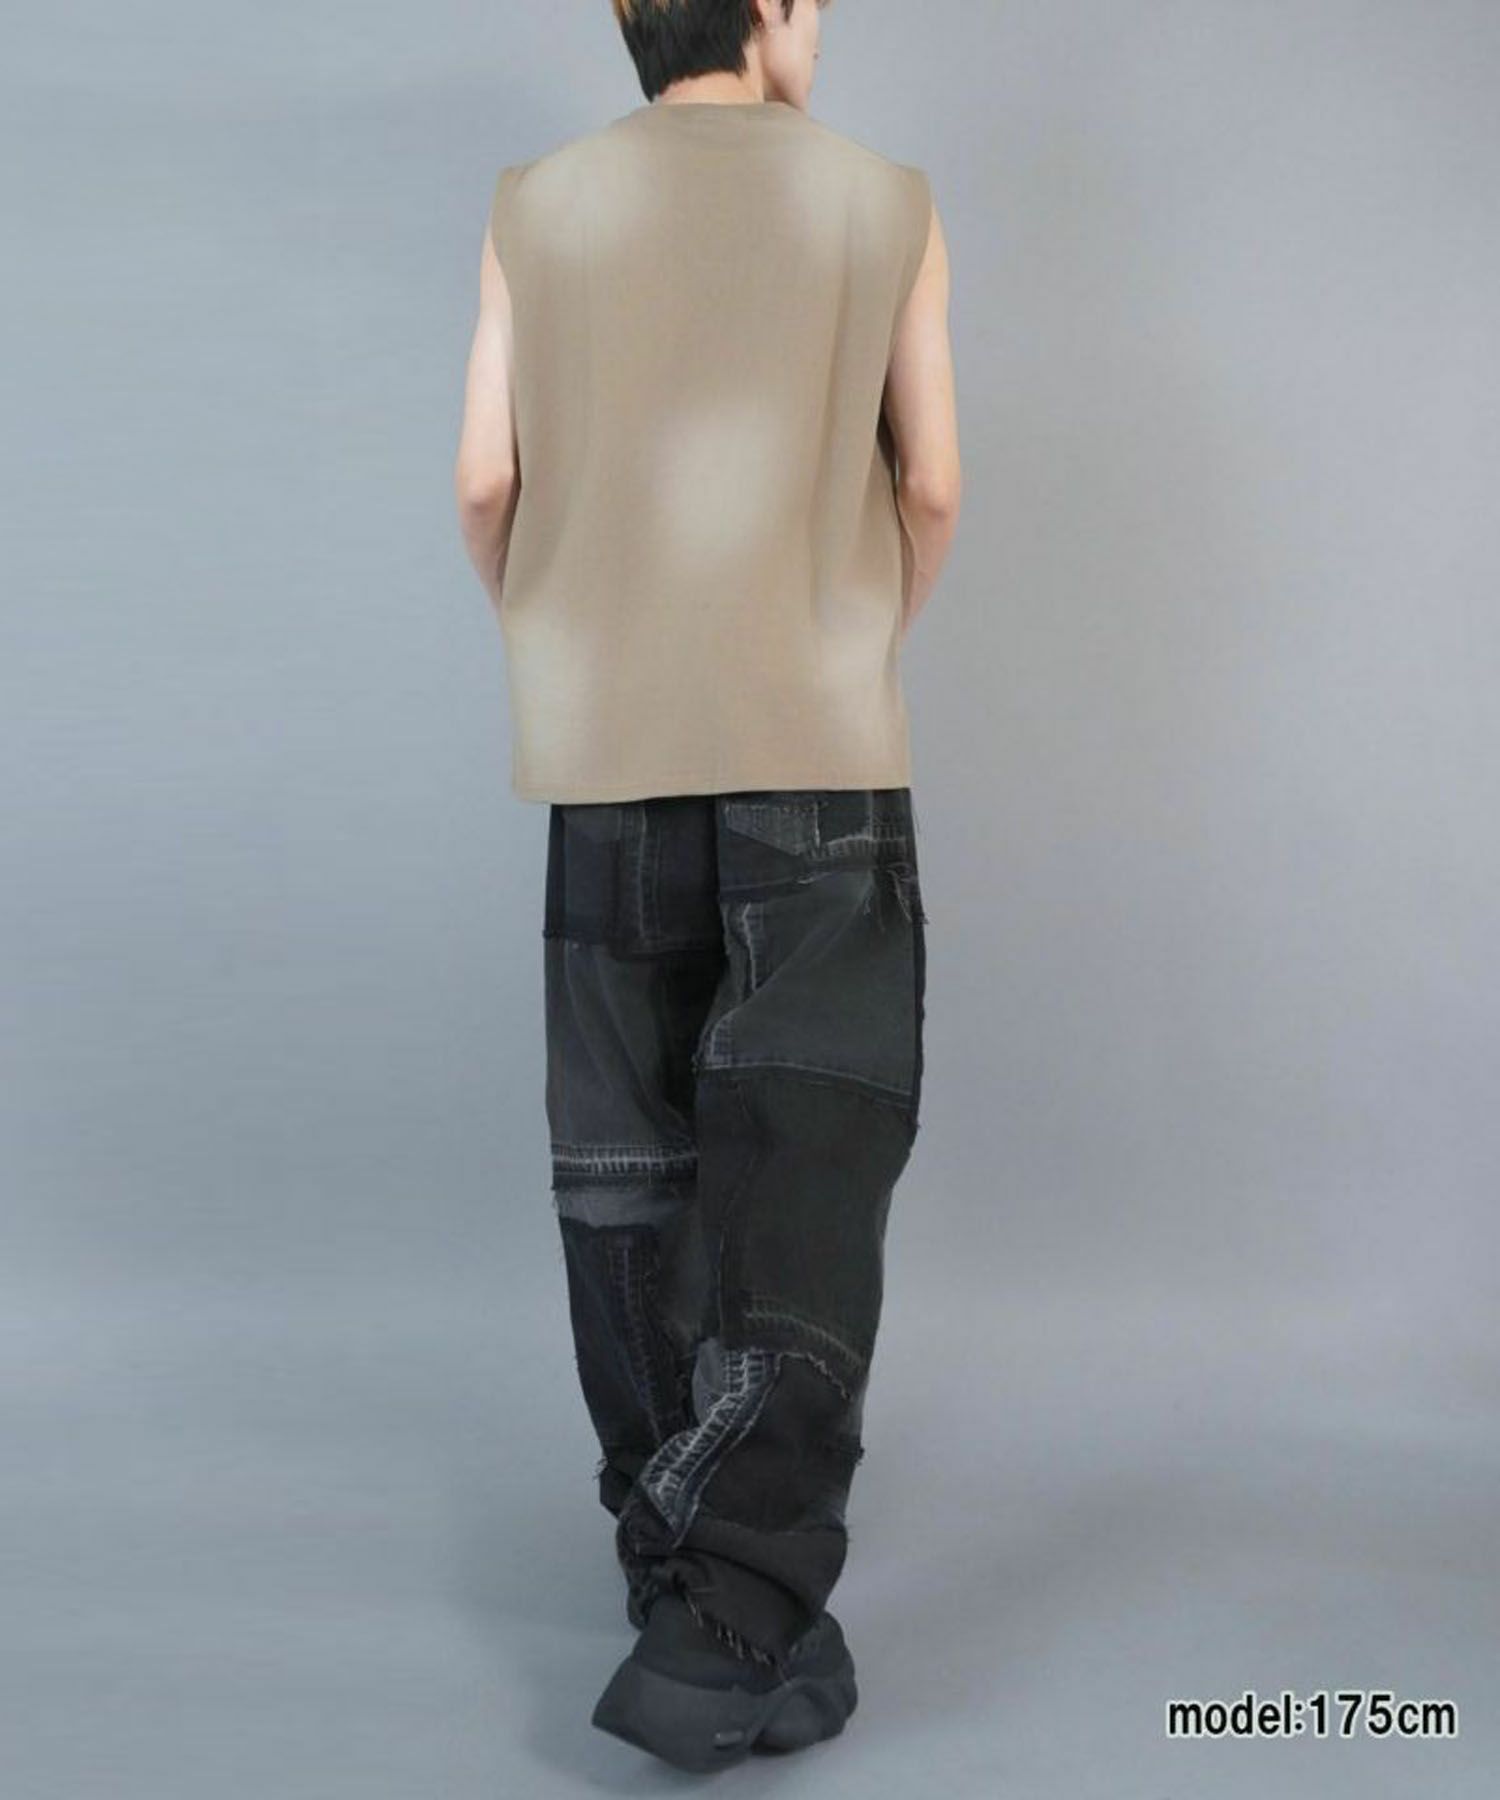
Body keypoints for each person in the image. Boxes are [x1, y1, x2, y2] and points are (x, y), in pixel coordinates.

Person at [453, 0, 959, 1770]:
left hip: (602, 758)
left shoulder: (534, 203)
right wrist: (847, 637)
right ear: (775, 4)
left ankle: (672, 1559)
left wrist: (567, 641)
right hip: (817, 757)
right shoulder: (884, 199)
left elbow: (486, 481)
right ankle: (734, 1614)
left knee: (628, 1172)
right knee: (802, 1169)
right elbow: (935, 486)